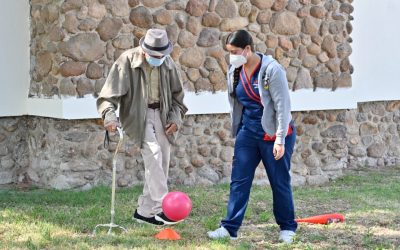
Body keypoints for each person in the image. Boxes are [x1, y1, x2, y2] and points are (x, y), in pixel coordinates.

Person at [207, 30, 297, 244]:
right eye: (229, 52)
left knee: (279, 181)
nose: (232, 56)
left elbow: (283, 107)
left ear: (247, 49)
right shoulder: (235, 69)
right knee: (239, 180)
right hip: (248, 131)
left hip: (273, 132)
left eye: (235, 52)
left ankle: (287, 227)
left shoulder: (272, 70)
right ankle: (229, 228)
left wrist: (280, 139)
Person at [97, 28, 188, 226]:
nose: (158, 58)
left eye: (161, 55)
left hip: (162, 114)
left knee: (162, 160)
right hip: (138, 115)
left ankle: (144, 212)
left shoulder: (168, 63)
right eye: (154, 55)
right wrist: (109, 116)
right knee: (153, 154)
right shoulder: (127, 61)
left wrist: (175, 117)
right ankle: (163, 207)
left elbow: (178, 98)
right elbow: (107, 96)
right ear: (144, 50)